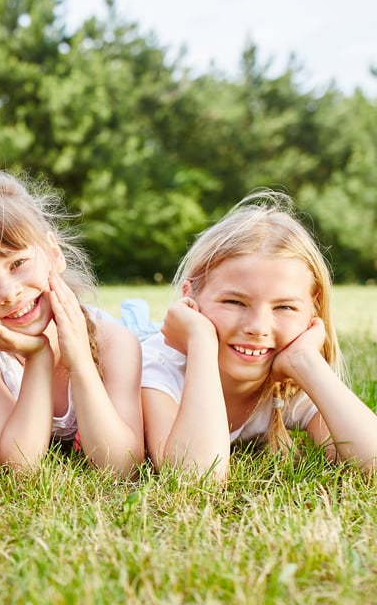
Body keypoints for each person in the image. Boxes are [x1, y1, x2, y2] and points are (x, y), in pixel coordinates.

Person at [141, 189, 377, 481]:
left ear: (312, 309)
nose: (258, 327)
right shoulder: (160, 367)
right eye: (235, 302)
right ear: (190, 297)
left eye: (285, 307)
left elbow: (372, 463)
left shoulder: (290, 380)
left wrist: (306, 362)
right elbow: (195, 477)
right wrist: (200, 341)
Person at [0, 172, 144, 475]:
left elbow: (121, 466)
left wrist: (80, 361)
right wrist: (37, 356)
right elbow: (20, 465)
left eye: (17, 264)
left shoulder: (115, 341)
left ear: (54, 253)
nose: (9, 292)